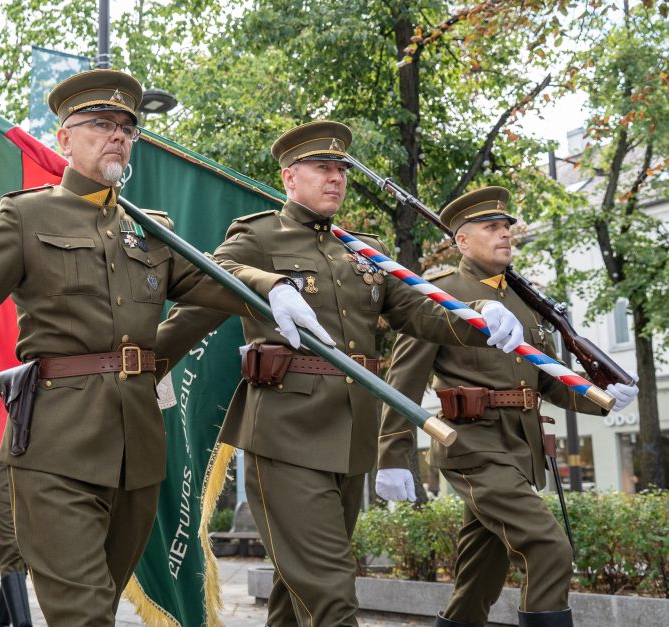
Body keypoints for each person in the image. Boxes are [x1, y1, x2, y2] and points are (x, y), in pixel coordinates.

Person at [0, 69, 331, 625]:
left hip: (136, 451)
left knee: (99, 609)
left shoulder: (151, 229)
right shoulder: (26, 216)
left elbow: (215, 282)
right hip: (55, 448)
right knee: (84, 614)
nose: (117, 134)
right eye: (99, 124)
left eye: (126, 127)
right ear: (63, 138)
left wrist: (270, 289)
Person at [152, 121, 526, 626]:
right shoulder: (258, 235)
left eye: (341, 170)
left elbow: (420, 311)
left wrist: (478, 312)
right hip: (284, 434)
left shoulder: (363, 250)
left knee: (297, 586)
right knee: (331, 591)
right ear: (289, 178)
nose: (335, 179)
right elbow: (211, 283)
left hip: (350, 437)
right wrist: (144, 367)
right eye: (322, 168)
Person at [376, 186, 639, 627]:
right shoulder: (438, 295)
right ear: (461, 240)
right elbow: (402, 381)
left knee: (482, 570)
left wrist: (604, 398)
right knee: (548, 546)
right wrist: (392, 454)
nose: (505, 235)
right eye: (491, 228)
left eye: (507, 228)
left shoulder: (525, 302)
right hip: (472, 446)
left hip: (520, 447)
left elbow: (550, 381)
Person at [0, 462, 33, 627]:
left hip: (29, 483)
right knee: (12, 555)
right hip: (2, 481)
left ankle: (0, 623)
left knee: (22, 558)